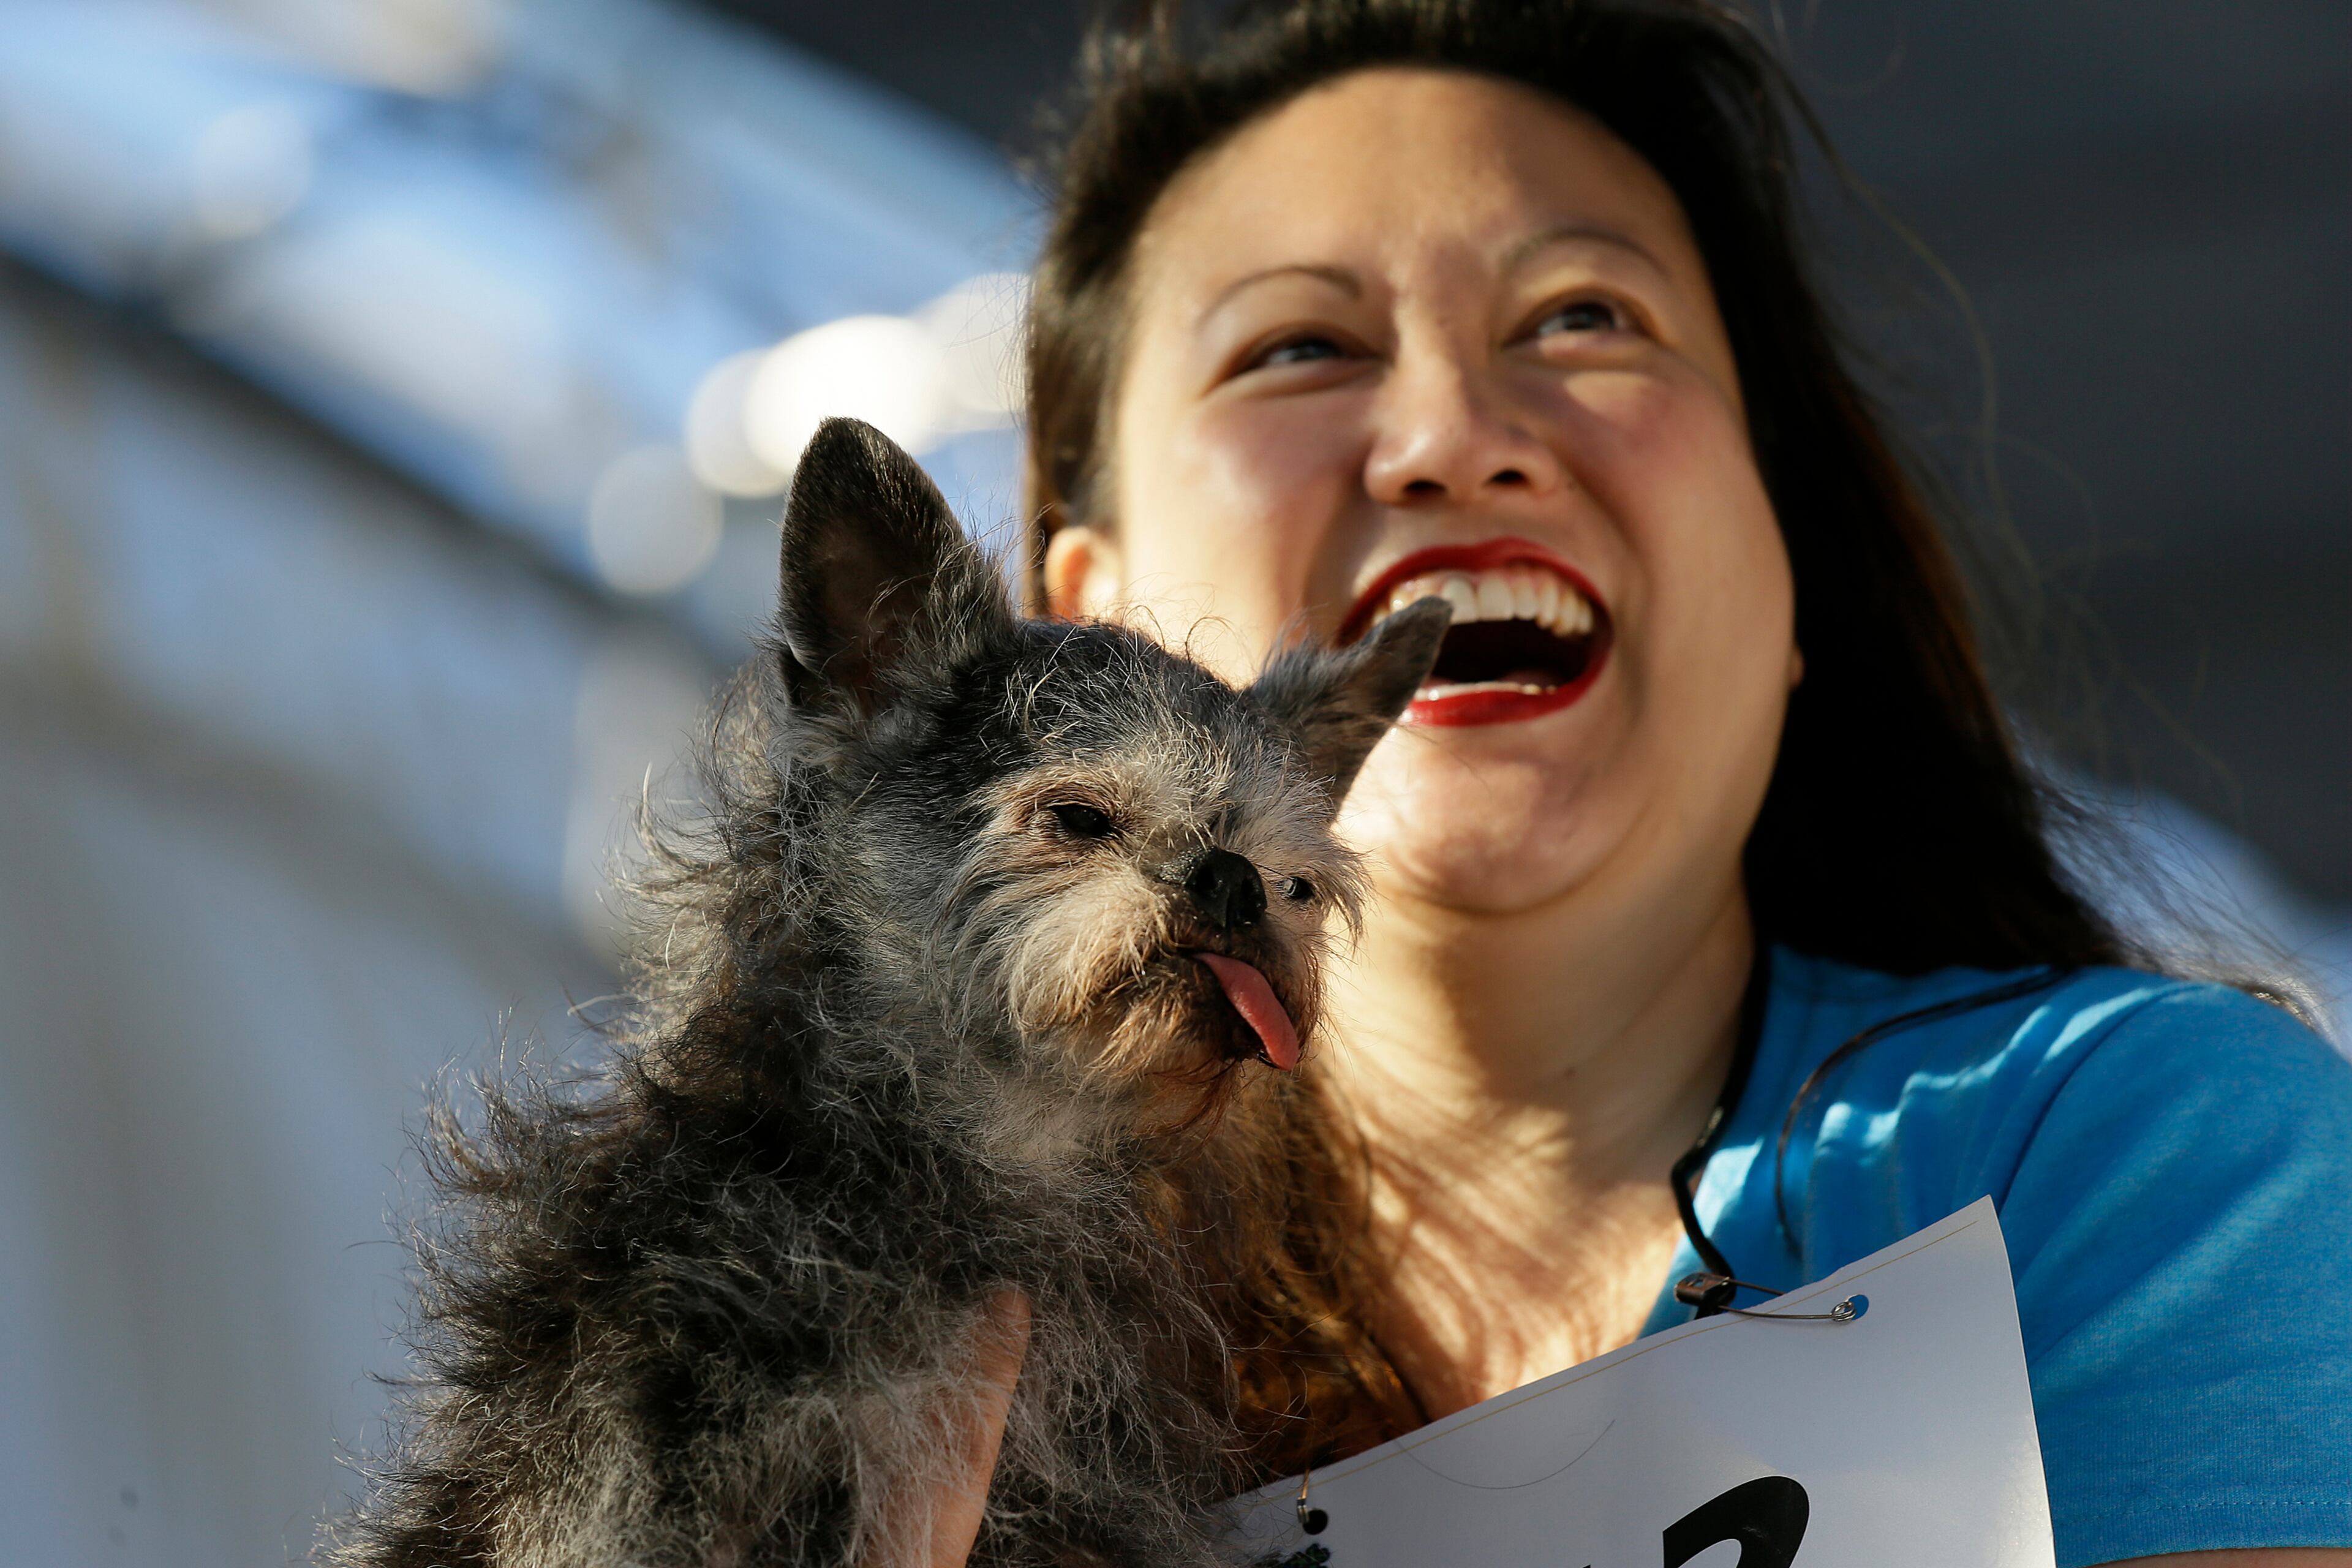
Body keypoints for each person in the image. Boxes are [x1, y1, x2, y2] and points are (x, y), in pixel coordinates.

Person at [915, 2, 2352, 1563]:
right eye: (1300, 348)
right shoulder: (899, 1308)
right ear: (1084, 624)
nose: (1453, 437)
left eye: (1585, 317)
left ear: (1788, 560)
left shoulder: (2138, 1157)